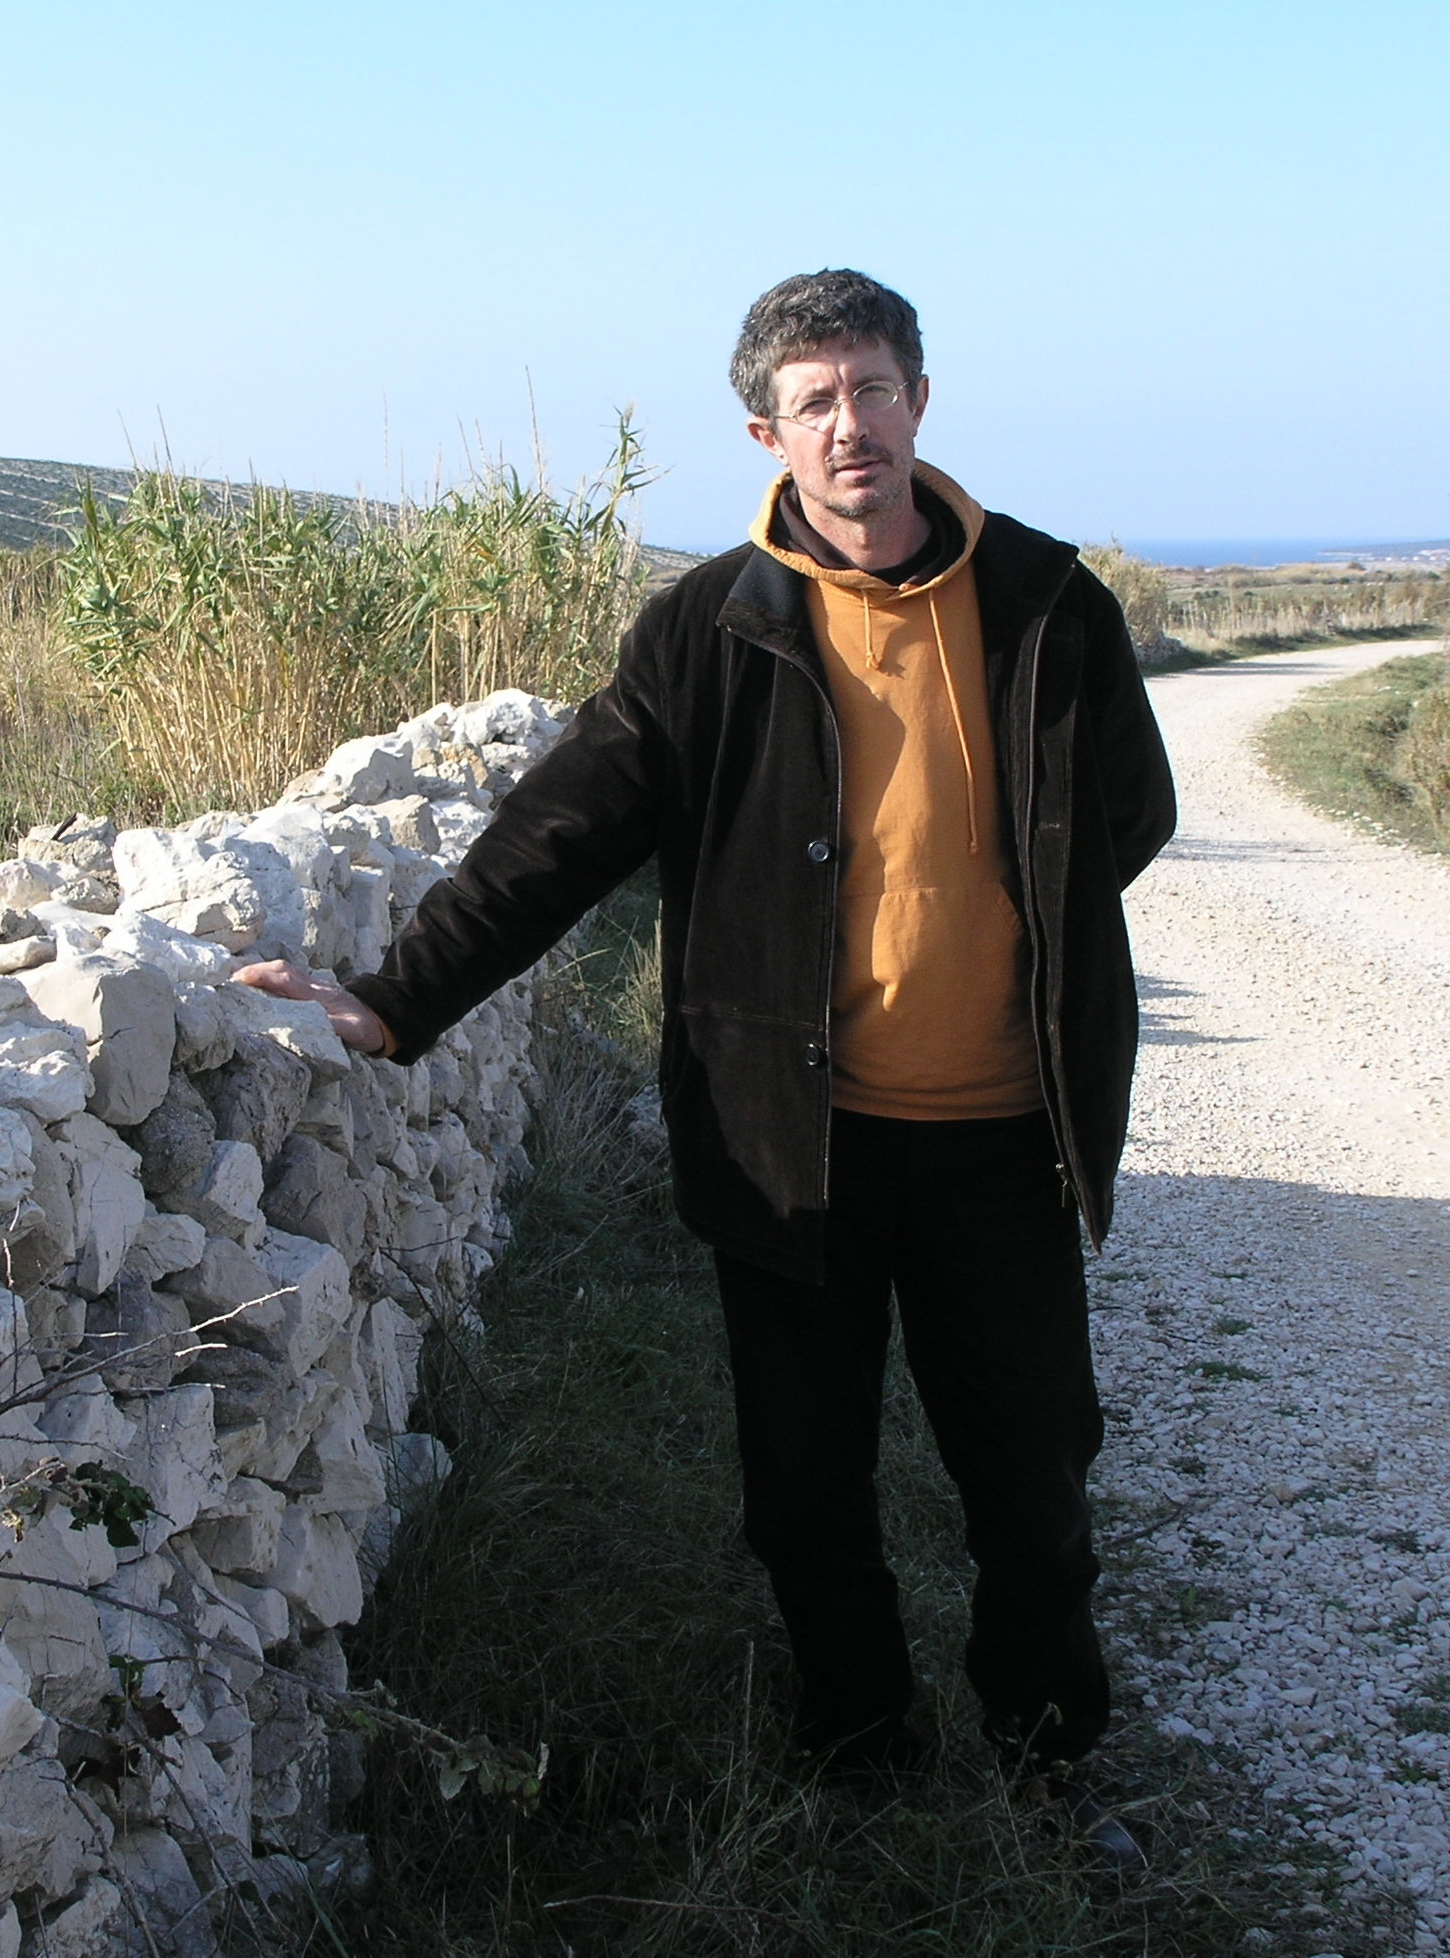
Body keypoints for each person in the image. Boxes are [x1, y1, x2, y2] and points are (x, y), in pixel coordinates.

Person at [239, 268, 1176, 1861]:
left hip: (1004, 1138)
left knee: (1034, 1479)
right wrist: (393, 1001)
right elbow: (559, 835)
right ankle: (861, 1752)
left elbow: (1125, 816)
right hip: (786, 1139)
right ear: (766, 435)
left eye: (870, 387)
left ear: (918, 401)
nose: (848, 423)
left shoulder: (1045, 601)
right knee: (804, 1489)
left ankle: (1046, 1762)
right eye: (813, 401)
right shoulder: (707, 628)